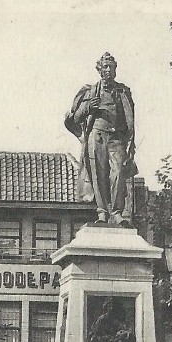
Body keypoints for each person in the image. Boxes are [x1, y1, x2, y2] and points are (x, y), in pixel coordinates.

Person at [65, 52, 137, 226]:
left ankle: (117, 212)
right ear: (99, 69)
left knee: (118, 172)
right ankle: (102, 212)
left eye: (112, 67)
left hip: (116, 138)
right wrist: (88, 108)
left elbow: (130, 117)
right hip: (96, 137)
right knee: (98, 174)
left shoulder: (123, 91)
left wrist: (130, 140)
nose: (109, 70)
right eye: (105, 67)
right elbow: (74, 118)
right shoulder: (90, 91)